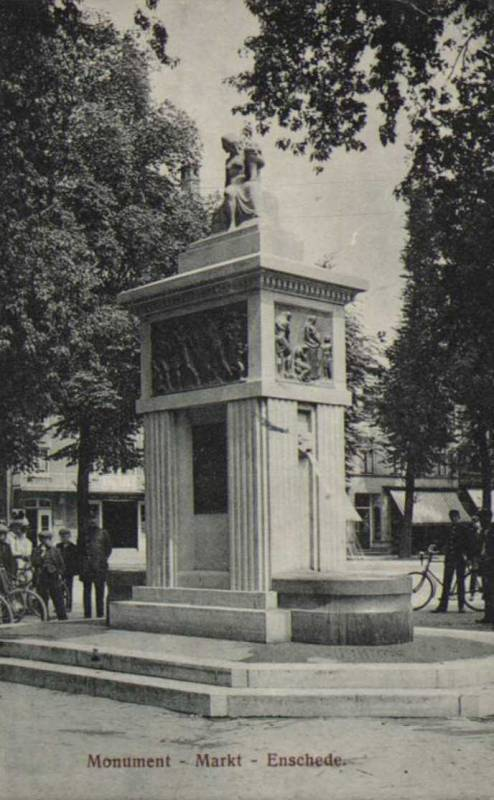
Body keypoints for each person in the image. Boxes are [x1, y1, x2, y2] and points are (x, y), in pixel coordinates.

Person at [432, 508, 472, 613]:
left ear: (458, 517)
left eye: (455, 517)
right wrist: (436, 546)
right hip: (450, 558)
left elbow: (469, 544)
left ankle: (461, 606)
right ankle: (443, 606)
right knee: (446, 582)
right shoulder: (449, 528)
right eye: (452, 517)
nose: (454, 519)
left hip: (460, 558)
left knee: (460, 582)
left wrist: (469, 557)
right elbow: (443, 540)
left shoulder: (464, 528)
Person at [32, 531, 67, 620]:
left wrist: (59, 573)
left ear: (50, 539)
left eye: (47, 539)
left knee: (57, 597)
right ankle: (44, 617)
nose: (45, 541)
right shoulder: (37, 550)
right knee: (42, 597)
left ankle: (62, 617)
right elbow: (34, 562)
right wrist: (41, 554)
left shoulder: (55, 550)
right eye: (42, 539)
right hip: (41, 576)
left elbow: (61, 564)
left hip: (53, 576)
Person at [80, 523, 112, 619]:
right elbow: (79, 550)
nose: (92, 521)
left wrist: (101, 559)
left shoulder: (103, 533)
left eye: (93, 518)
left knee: (100, 591)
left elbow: (108, 549)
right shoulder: (83, 534)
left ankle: (100, 612)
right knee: (87, 591)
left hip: (99, 567)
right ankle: (87, 613)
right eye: (90, 519)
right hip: (86, 568)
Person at [56, 528, 79, 612]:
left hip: (69, 571)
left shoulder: (73, 547)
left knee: (69, 589)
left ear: (69, 536)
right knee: (59, 589)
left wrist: (73, 570)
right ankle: (60, 606)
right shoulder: (58, 546)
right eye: (62, 536)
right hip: (60, 570)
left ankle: (68, 606)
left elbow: (75, 560)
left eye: (65, 536)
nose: (63, 538)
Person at [477, 509, 494, 625]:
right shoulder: (483, 531)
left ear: (488, 518)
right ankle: (488, 615)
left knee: (491, 590)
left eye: (482, 518)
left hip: (492, 563)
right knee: (486, 590)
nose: (481, 521)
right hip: (484, 563)